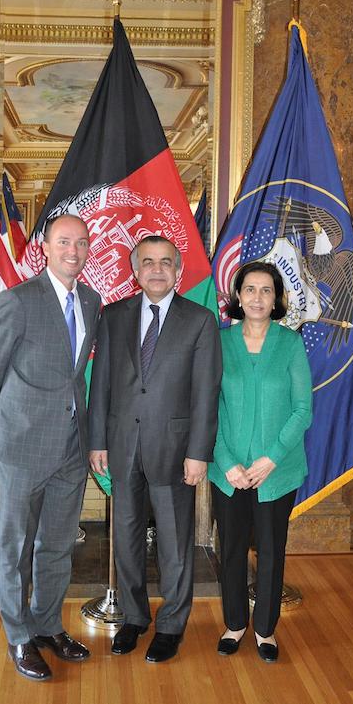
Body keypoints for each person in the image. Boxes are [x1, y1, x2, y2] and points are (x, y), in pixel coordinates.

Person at [0, 214, 100, 682]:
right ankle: (19, 635)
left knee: (58, 544)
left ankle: (48, 624)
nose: (74, 250)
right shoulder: (18, 301)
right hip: (21, 446)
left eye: (81, 242)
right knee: (14, 547)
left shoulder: (92, 299)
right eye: (64, 241)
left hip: (71, 445)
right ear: (45, 247)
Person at [89, 235, 222, 663]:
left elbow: (206, 391)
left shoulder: (199, 320)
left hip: (176, 449)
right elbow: (102, 383)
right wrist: (97, 441)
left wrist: (199, 451)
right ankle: (134, 618)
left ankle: (171, 625)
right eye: (148, 262)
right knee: (125, 538)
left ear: (178, 271)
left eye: (166, 262)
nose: (157, 269)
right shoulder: (113, 316)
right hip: (122, 445)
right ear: (136, 270)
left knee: (175, 541)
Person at [208, 261, 312, 663]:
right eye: (249, 289)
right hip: (228, 470)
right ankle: (235, 624)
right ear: (237, 296)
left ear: (276, 299)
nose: (256, 297)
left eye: (265, 290)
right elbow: (208, 407)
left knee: (271, 550)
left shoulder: (290, 345)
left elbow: (302, 409)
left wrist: (271, 459)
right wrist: (226, 459)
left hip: (277, 471)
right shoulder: (219, 342)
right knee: (232, 550)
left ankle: (265, 630)